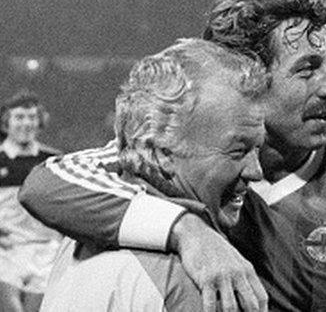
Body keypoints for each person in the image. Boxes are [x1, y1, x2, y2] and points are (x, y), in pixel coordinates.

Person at [20, 0, 326, 312]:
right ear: (246, 73)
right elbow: (48, 183)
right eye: (308, 68)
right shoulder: (182, 153)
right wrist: (188, 230)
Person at [41, 39, 267, 310]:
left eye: (257, 148)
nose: (256, 171)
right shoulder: (204, 277)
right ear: (161, 154)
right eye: (237, 151)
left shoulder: (81, 235)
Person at [0, 91, 61, 312]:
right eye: (19, 117)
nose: (26, 123)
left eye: (32, 117)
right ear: (7, 121)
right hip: (7, 252)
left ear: (40, 121)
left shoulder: (52, 161)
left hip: (46, 253)